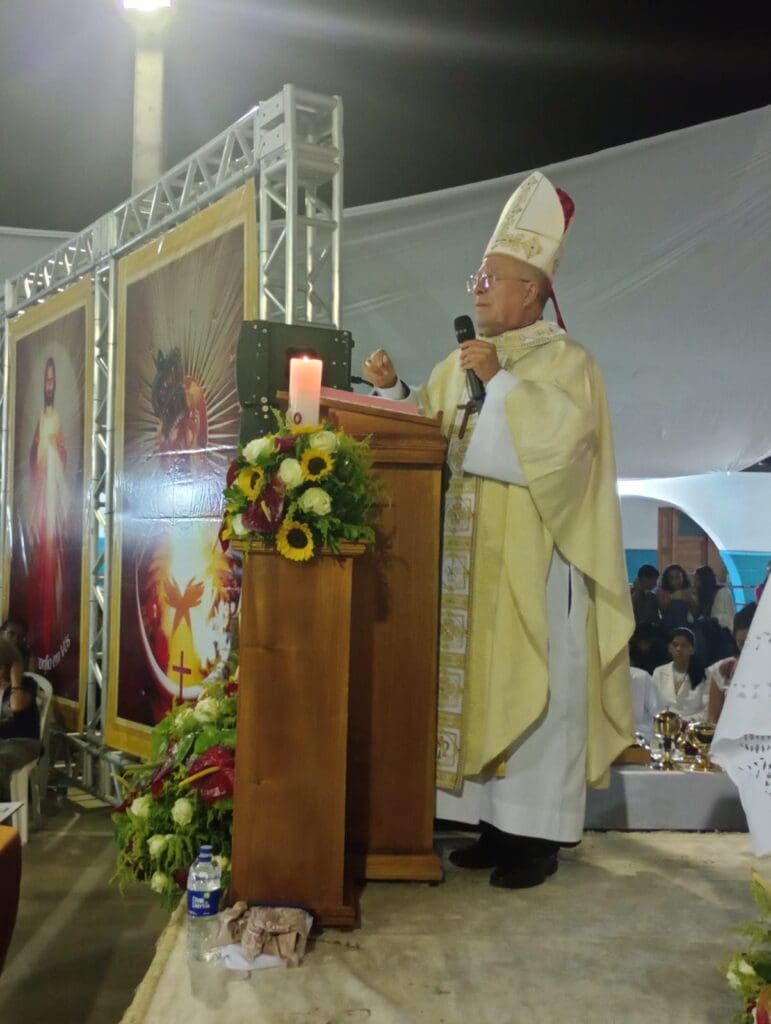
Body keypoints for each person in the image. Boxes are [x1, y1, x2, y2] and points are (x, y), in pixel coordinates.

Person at [362, 171, 634, 888]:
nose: (477, 289)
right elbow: (428, 436)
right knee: (472, 690)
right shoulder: (457, 367)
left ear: (532, 293)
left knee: (536, 694)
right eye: (475, 278)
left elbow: (565, 451)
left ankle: (535, 838)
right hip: (463, 573)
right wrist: (393, 394)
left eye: (491, 278)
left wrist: (504, 387)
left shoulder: (568, 363)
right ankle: (488, 824)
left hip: (535, 570)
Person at [29, 356, 68, 656]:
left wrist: (56, 448)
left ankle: (50, 627)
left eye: (53, 380)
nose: (49, 385)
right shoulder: (41, 419)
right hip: (42, 498)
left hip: (53, 501)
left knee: (52, 561)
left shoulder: (58, 419)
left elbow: (63, 457)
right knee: (39, 564)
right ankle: (38, 630)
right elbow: (33, 457)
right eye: (47, 380)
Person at [0, 639, 41, 802]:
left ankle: (4, 814)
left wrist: (15, 679)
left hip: (22, 743)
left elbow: (17, 706)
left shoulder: (27, 684)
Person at [707, 602, 757, 724]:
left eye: (752, 643)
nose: (746, 650)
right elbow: (713, 718)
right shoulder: (723, 670)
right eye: (741, 643)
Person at [651, 627, 708, 722]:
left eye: (684, 645)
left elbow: (707, 711)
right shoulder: (659, 672)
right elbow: (653, 705)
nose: (679, 649)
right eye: (675, 645)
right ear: (669, 648)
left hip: (692, 726)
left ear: (693, 649)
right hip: (664, 725)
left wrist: (682, 721)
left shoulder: (705, 675)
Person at [657, 563, 694, 632]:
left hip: (687, 628)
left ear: (683, 577)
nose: (675, 581)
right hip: (668, 628)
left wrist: (690, 600)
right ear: (667, 579)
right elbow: (662, 609)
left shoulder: (688, 590)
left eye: (678, 577)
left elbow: (696, 613)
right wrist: (672, 597)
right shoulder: (662, 591)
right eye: (671, 578)